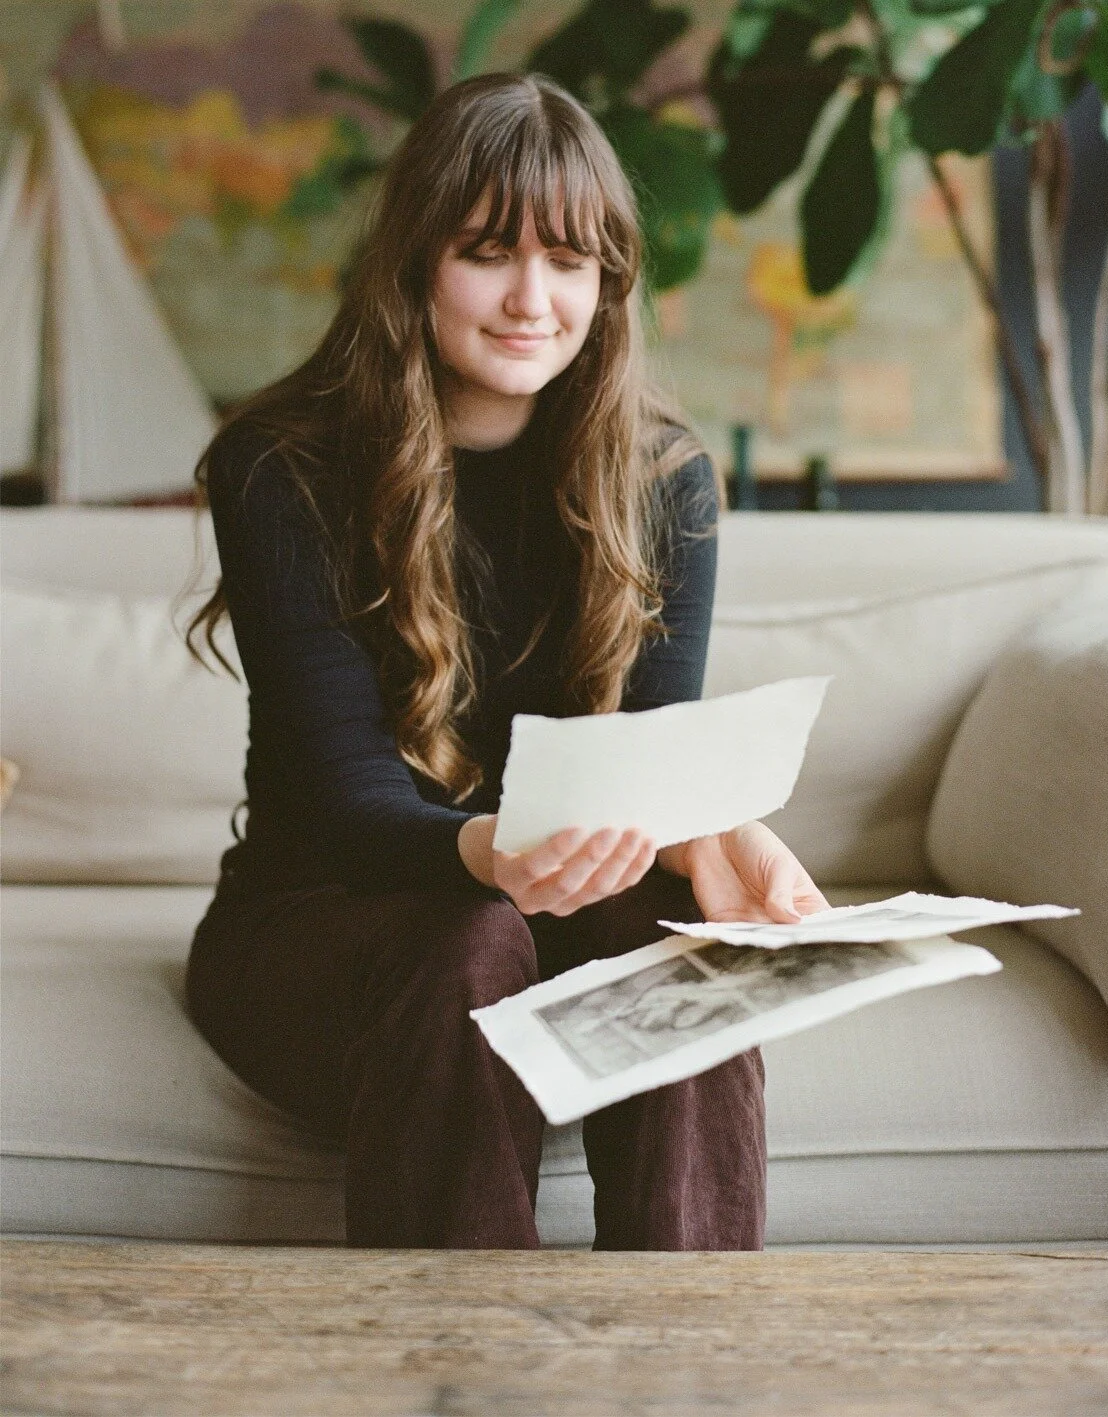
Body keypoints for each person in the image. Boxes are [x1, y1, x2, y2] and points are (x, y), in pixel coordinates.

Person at [183, 72, 828, 1252]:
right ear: (417, 261)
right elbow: (342, 803)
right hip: (318, 923)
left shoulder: (664, 481)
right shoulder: (281, 467)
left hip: (559, 928)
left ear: (607, 285)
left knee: (679, 950)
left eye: (571, 261)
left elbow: (645, 774)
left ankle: (695, 1362)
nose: (535, 298)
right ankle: (463, 1372)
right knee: (470, 934)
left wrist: (712, 835)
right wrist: (491, 848)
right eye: (490, 251)